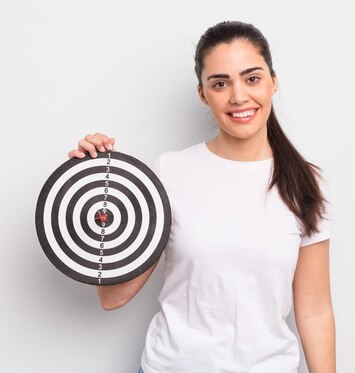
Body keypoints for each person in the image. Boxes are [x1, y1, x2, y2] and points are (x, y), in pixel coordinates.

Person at [68, 21, 336, 373]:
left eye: (252, 78)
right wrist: (98, 187)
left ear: (274, 81)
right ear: (202, 93)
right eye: (220, 83)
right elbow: (113, 297)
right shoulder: (168, 172)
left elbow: (315, 310)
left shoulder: (305, 183)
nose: (238, 96)